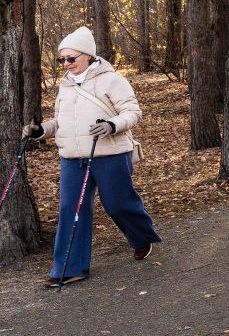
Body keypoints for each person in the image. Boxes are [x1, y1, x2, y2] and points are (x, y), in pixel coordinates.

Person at [21, 26, 160, 287]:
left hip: (110, 154)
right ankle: (69, 268)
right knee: (70, 210)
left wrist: (111, 125)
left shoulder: (112, 80)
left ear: (87, 55)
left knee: (117, 204)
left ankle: (142, 237)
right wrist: (41, 131)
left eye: (71, 59)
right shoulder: (65, 85)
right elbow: (61, 123)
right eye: (61, 59)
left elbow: (132, 112)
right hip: (73, 158)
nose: (65, 64)